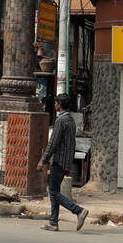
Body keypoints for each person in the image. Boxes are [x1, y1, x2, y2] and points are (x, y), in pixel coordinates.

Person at [37, 94, 88, 231]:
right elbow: (72, 143)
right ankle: (53, 222)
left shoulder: (61, 121)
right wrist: (69, 164)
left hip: (58, 160)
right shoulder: (71, 120)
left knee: (53, 191)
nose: (54, 105)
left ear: (59, 104)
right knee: (54, 190)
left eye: (56, 103)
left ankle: (78, 211)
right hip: (65, 161)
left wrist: (43, 160)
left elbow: (52, 143)